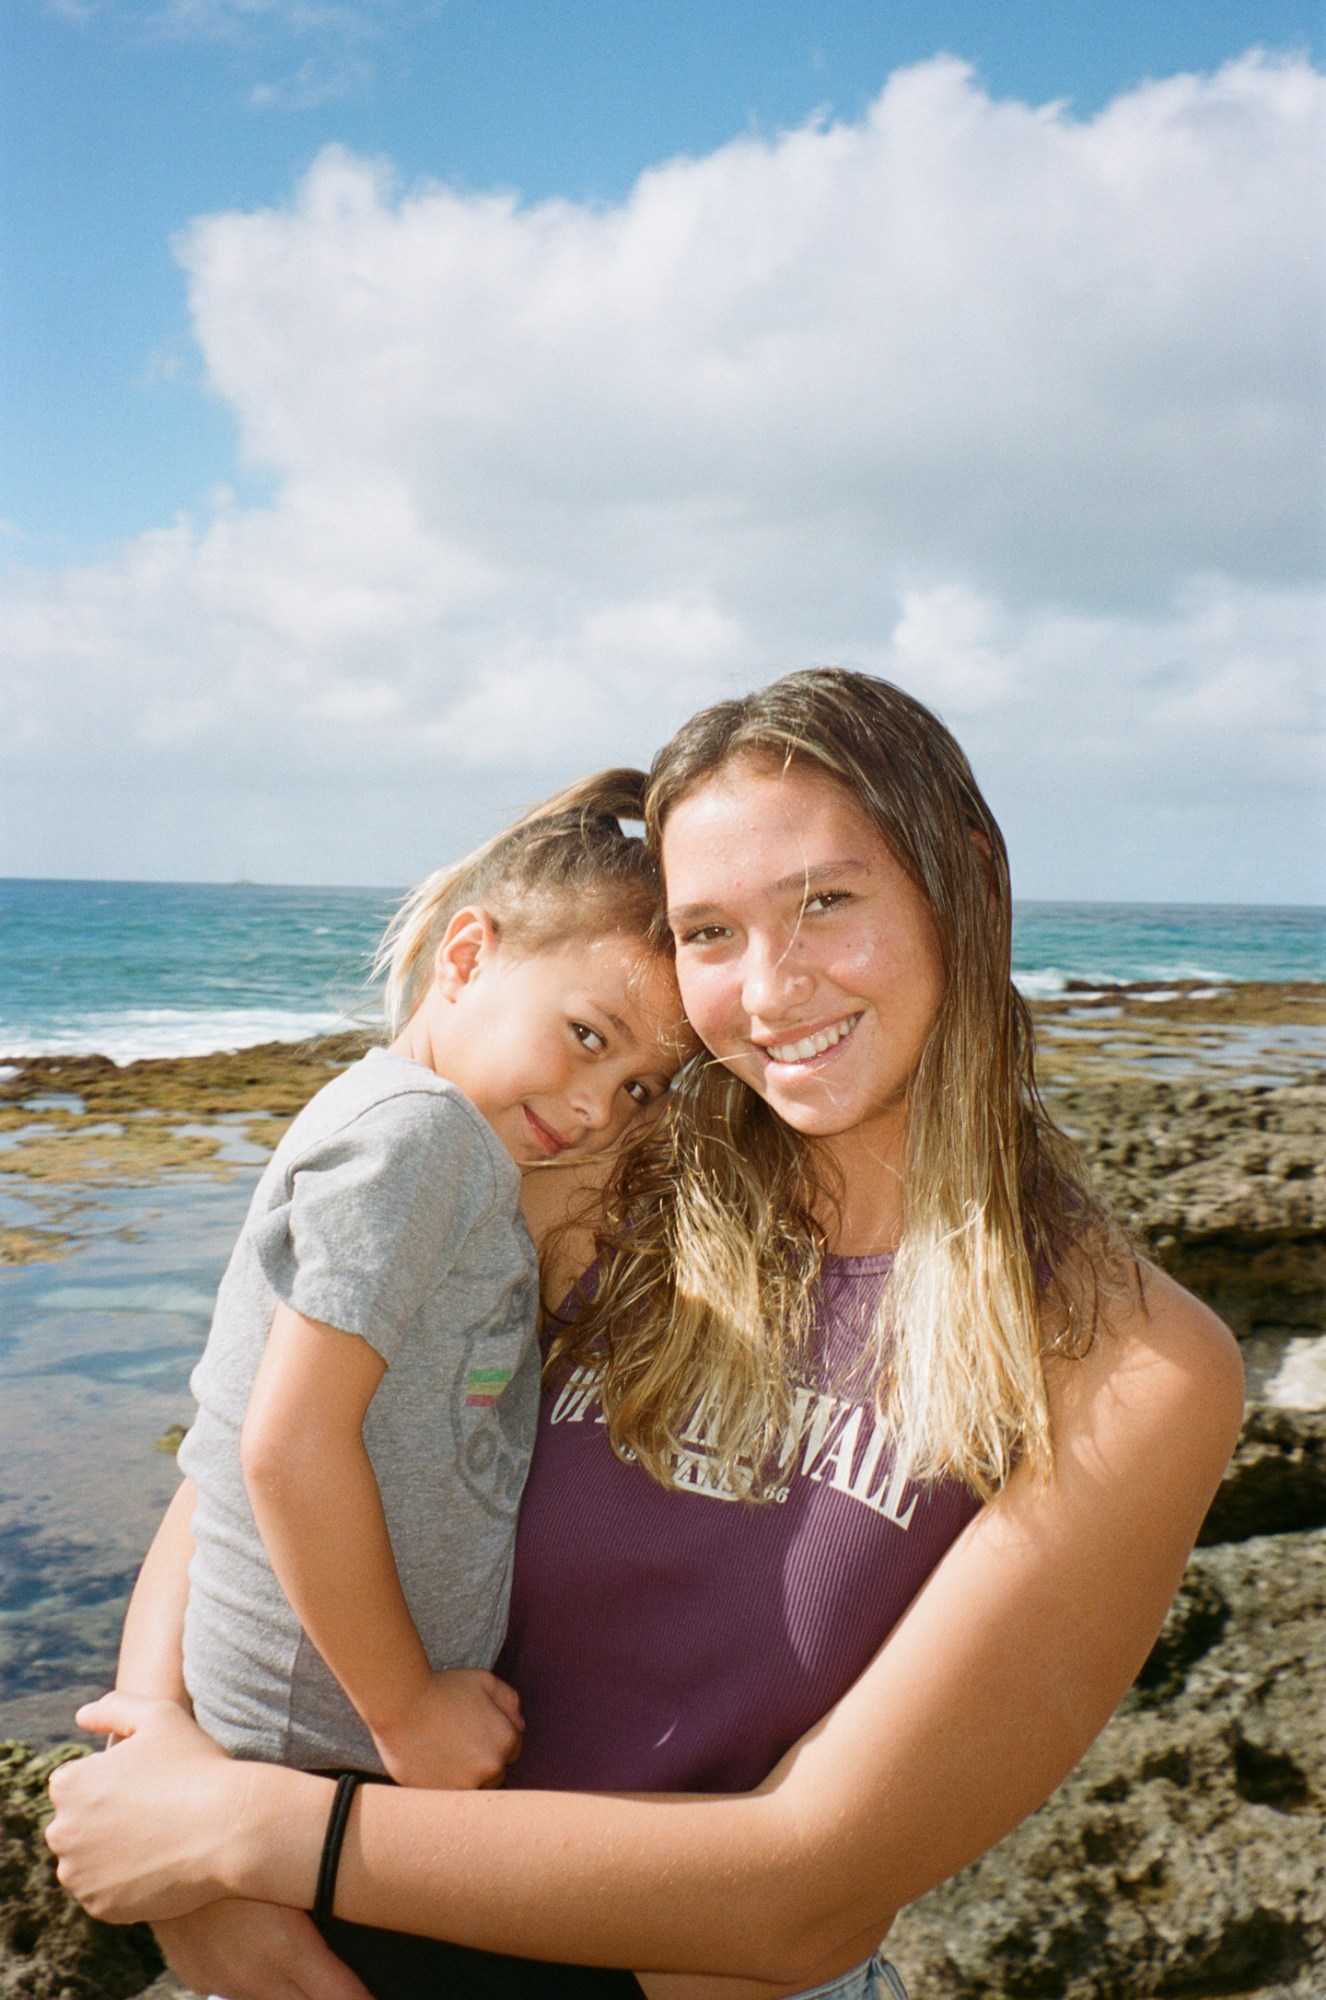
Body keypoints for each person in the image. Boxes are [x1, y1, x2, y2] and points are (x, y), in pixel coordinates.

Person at [47, 672, 1245, 2000]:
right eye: (708, 932)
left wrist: (258, 1837)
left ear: (963, 880)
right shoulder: (599, 1190)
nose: (771, 989)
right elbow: (261, 1441)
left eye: (826, 901)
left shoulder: (1128, 1369)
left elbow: (805, 1890)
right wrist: (165, 1761)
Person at [158, 769, 687, 1934]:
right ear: (466, 954)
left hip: (325, 1735)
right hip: (326, 1743)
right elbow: (285, 1444)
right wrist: (406, 1708)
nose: (603, 1105)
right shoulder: (418, 1137)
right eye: (586, 1035)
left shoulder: (455, 1149)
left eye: (643, 1083)